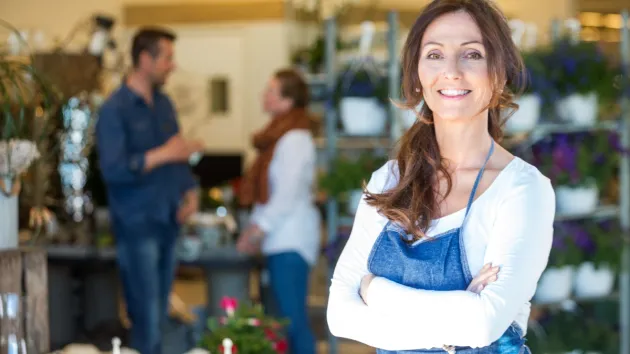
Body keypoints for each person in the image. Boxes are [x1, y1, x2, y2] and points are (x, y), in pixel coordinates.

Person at [326, 0, 555, 353]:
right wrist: (453, 323)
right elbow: (340, 314)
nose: (451, 71)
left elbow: (482, 324)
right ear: (416, 74)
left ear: (500, 72)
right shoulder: (389, 180)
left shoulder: (523, 189)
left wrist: (375, 291)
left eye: (472, 55)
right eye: (434, 55)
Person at [96, 27, 203, 354]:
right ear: (145, 59)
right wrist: (164, 154)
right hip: (136, 225)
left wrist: (191, 190)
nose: (173, 65)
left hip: (168, 221)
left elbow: (177, 156)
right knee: (146, 318)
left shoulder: (164, 104)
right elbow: (113, 170)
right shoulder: (114, 110)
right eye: (167, 58)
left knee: (161, 312)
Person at [236, 69, 320, 354]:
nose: (264, 95)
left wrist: (257, 230)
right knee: (281, 323)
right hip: (280, 239)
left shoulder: (294, 138)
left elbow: (286, 193)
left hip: (290, 241)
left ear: (287, 101)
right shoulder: (279, 135)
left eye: (271, 91)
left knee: (292, 321)